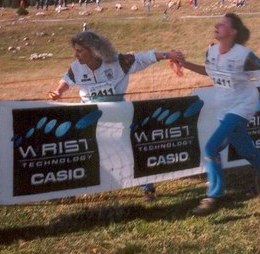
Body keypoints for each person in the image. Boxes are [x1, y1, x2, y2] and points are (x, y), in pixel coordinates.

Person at [176, 13, 260, 215]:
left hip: (243, 106)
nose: (217, 25)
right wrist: (185, 63)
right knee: (246, 150)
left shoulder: (244, 56)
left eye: (223, 24)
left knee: (211, 148)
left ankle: (214, 196)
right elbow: (209, 71)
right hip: (224, 108)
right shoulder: (212, 52)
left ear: (233, 32)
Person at [49, 31, 183, 201]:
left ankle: (148, 189)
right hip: (90, 118)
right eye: (75, 50)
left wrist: (167, 55)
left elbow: (143, 58)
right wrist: (58, 91)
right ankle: (69, 193)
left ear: (93, 50)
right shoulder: (76, 67)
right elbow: (67, 80)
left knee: (129, 150)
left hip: (117, 116)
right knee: (80, 152)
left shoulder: (118, 62)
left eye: (80, 50)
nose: (76, 55)